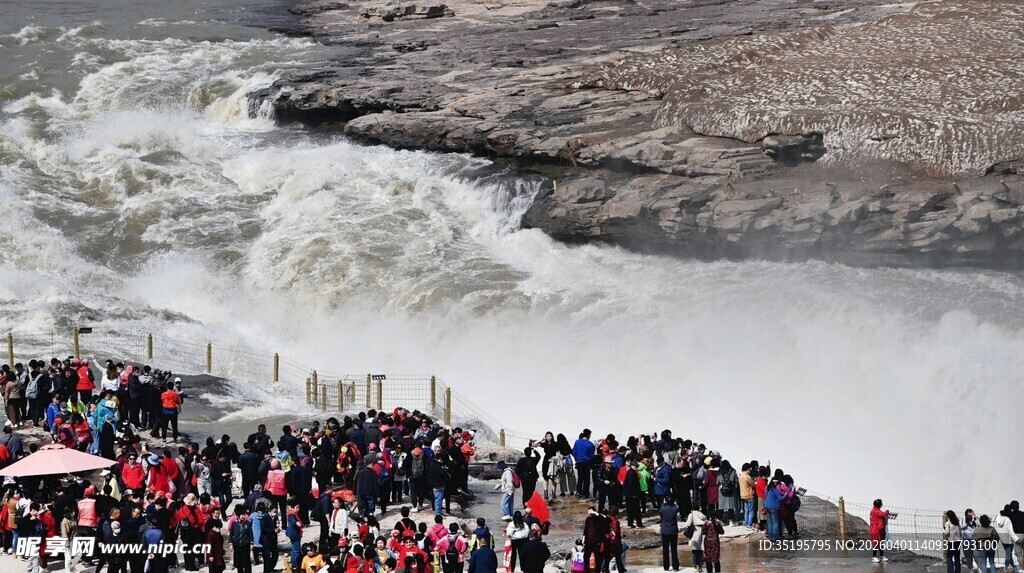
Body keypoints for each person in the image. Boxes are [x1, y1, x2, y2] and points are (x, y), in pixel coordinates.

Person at [582, 507, 609, 573]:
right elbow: (586, 529)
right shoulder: (588, 519)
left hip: (596, 542)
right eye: (588, 512)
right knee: (586, 557)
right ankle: (587, 571)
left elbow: (605, 519)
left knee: (597, 559)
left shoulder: (598, 519)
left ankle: (597, 571)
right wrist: (583, 538)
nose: (589, 514)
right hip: (588, 542)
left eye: (590, 512)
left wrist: (595, 513)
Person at [869, 499, 895, 563]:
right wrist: (887, 511)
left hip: (879, 530)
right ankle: (874, 557)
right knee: (876, 544)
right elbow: (882, 514)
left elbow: (880, 515)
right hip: (876, 531)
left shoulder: (875, 510)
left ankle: (882, 556)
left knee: (880, 543)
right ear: (880, 505)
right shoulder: (876, 511)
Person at [230, 506, 254, 573]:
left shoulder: (247, 524)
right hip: (237, 546)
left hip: (245, 545)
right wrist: (231, 543)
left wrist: (251, 543)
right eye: (242, 515)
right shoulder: (234, 524)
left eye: (244, 514)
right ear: (238, 515)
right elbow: (231, 534)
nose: (243, 516)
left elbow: (250, 534)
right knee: (239, 563)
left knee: (246, 562)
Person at [683, 507, 707, 573]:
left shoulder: (691, 514)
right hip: (702, 533)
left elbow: (688, 524)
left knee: (694, 550)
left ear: (692, 509)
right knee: (701, 550)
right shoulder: (702, 515)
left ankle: (695, 566)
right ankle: (700, 566)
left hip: (695, 533)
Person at [573, 431, 595, 499]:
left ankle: (579, 492)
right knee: (586, 478)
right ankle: (585, 493)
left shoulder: (577, 442)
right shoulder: (590, 444)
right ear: (588, 435)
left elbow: (574, 452)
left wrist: (577, 459)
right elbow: (592, 455)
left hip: (579, 462)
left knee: (580, 478)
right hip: (587, 462)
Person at [660, 497, 680, 571]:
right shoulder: (675, 509)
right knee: (674, 549)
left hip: (664, 530)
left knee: (665, 550)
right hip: (673, 531)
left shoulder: (663, 509)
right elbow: (677, 507)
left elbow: (661, 514)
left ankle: (666, 566)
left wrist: (664, 503)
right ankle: (675, 566)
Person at [994, 507, 1018, 571]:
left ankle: (1013, 565)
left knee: (1008, 553)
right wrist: (1016, 539)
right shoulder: (1008, 519)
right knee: (1008, 554)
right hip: (1009, 539)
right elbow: (1011, 531)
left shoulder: (998, 517)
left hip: (1002, 539)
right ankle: (1006, 567)